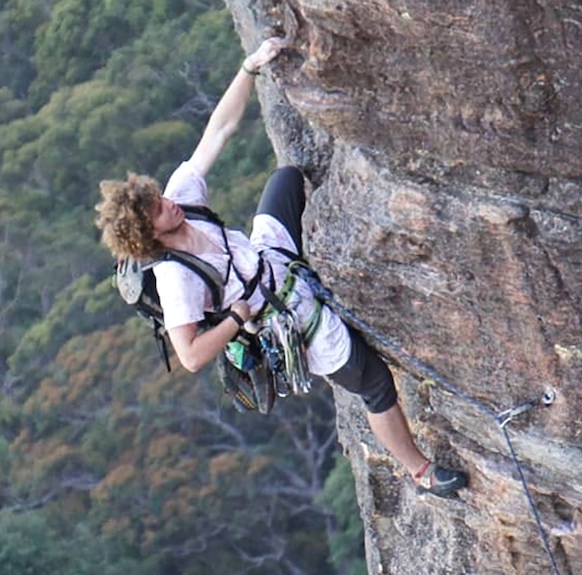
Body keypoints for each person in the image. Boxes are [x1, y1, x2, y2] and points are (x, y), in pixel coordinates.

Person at [95, 38, 467, 498]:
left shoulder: (184, 202)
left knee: (287, 181)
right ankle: (422, 473)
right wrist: (235, 320)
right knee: (373, 383)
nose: (166, 202)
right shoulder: (176, 278)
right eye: (155, 209)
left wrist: (248, 69)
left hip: (271, 258)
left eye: (158, 197)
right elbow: (189, 357)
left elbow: (218, 130)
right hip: (281, 314)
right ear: (148, 234)